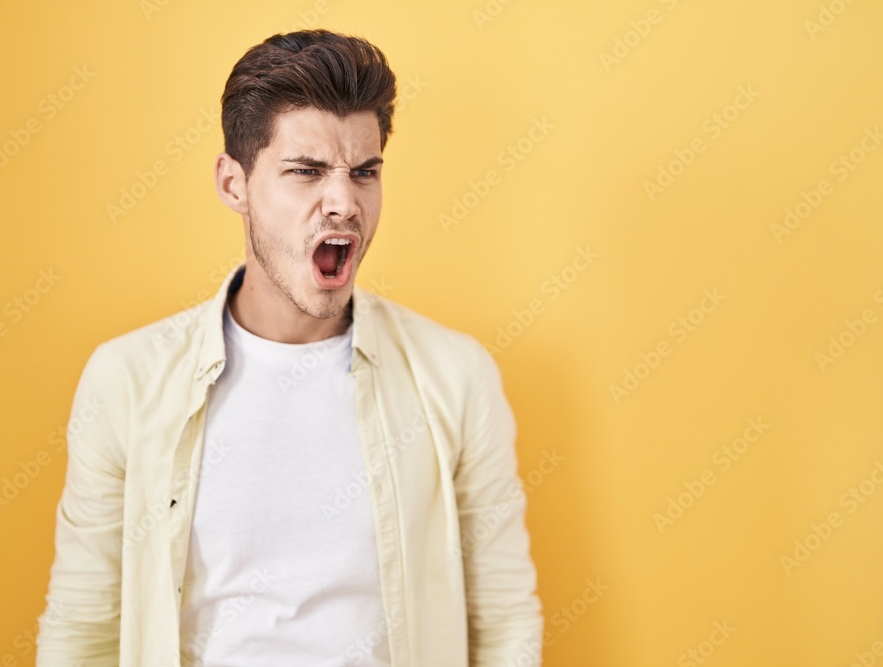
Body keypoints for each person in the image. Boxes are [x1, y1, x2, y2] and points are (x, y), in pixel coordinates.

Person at [36, 28, 543, 666]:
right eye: (306, 173)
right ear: (233, 184)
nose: (343, 203)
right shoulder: (126, 380)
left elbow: (502, 620)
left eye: (364, 173)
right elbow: (83, 628)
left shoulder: (456, 375)